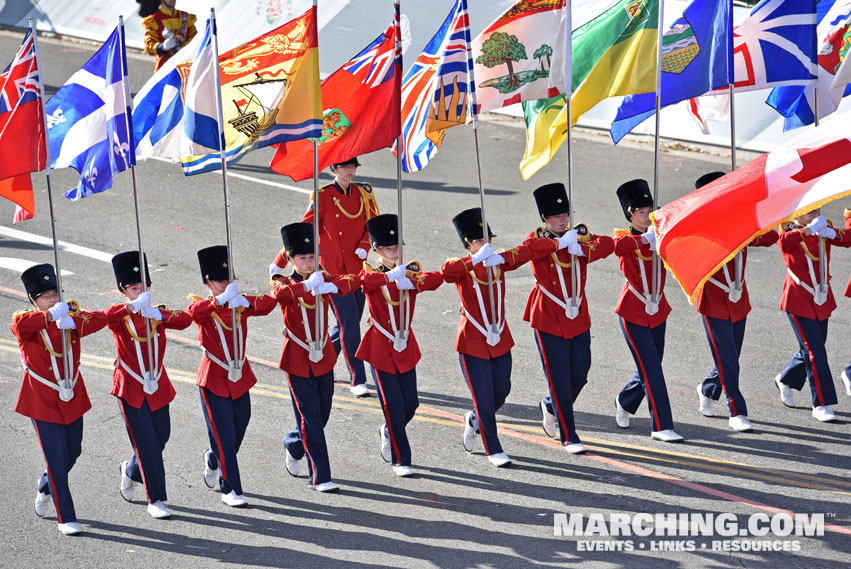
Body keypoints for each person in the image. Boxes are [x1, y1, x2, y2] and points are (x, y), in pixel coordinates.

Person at [270, 156, 379, 397]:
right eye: (345, 167)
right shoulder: (323, 196)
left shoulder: (364, 193)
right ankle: (357, 378)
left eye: (352, 167)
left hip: (357, 269)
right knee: (349, 324)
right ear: (334, 169)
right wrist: (280, 261)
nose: (349, 171)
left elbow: (370, 224)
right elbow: (304, 228)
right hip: (331, 272)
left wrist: (365, 244)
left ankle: (325, 362)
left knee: (346, 326)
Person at [13, 264, 107, 535]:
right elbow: (19, 326)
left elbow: (99, 320)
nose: (53, 300)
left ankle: (45, 486)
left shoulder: (68, 318)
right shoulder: (27, 320)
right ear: (34, 300)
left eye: (55, 294)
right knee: (55, 458)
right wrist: (50, 315)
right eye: (46, 296)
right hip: (41, 399)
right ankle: (66, 517)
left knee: (72, 452)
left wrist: (72, 321)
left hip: (71, 396)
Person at [272, 222, 362, 492]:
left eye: (312, 257)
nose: (309, 262)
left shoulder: (322, 278)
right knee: (311, 418)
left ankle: (293, 443)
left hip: (322, 356)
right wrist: (307, 287)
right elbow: (280, 295)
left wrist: (332, 286)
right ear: (290, 260)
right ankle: (320, 476)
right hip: (298, 358)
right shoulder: (285, 282)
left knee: (322, 415)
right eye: (303, 258)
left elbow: (352, 281)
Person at [524, 183, 614, 453]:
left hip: (577, 316)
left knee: (580, 373)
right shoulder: (539, 238)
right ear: (545, 219)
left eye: (565, 215)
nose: (563, 220)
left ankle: (551, 405)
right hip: (549, 316)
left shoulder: (578, 236)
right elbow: (530, 248)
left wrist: (583, 249)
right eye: (557, 217)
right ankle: (569, 434)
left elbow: (608, 244)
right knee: (559, 378)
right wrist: (559, 243)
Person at [186, 246, 277, 507]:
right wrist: (219, 300)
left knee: (241, 425)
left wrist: (244, 301)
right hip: (214, 376)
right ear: (208, 283)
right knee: (224, 435)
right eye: (219, 281)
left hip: (239, 375)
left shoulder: (238, 304)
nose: (225, 284)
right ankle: (231, 489)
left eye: (228, 279)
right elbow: (193, 314)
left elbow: (269, 304)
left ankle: (214, 460)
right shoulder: (204, 305)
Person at [441, 207, 531, 467]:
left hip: (499, 336)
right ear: (468, 244)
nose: (485, 244)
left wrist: (558, 241)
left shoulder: (496, 259)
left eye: (488, 239)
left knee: (501, 390)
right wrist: (476, 259)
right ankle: (494, 449)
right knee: (483, 397)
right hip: (473, 339)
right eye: (479, 240)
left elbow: (526, 252)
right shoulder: (462, 265)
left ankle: (474, 419)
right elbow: (447, 273)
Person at [355, 214, 443, 477]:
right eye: (389, 248)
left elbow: (436, 279)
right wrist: (389, 278)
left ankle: (387, 431)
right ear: (377, 251)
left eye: (397, 247)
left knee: (411, 404)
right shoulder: (371, 273)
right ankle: (400, 458)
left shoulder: (409, 270)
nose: (395, 252)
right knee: (393, 406)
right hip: (381, 346)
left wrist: (411, 281)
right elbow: (363, 283)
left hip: (405, 345)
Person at [106, 251, 192, 519]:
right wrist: (130, 308)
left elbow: (186, 320)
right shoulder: (121, 316)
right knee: (146, 445)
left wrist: (158, 314)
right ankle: (156, 499)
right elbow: (104, 318)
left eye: (143, 286)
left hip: (157, 385)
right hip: (130, 387)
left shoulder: (157, 314)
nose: (140, 292)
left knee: (161, 436)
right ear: (124, 290)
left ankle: (130, 470)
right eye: (134, 288)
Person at [692, 172, 778, 432]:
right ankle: (736, 411)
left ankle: (708, 388)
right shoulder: (700, 225)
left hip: (738, 299)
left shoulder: (737, 220)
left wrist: (750, 224)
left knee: (731, 357)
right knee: (729, 359)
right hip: (715, 300)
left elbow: (771, 237)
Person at [612, 180, 683, 442]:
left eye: (650, 210)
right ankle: (662, 425)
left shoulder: (660, 232)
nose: (647, 215)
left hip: (658, 309)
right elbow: (618, 247)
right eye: (642, 212)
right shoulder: (624, 238)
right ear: (630, 214)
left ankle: (625, 400)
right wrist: (645, 239)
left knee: (650, 365)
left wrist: (660, 234)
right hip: (633, 310)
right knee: (652, 369)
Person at [774, 209, 851, 422]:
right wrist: (809, 230)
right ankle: (821, 403)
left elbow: (848, 239)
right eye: (807, 211)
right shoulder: (788, 230)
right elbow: (782, 242)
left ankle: (786, 378)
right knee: (815, 352)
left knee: (813, 347)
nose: (813, 213)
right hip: (798, 298)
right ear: (794, 214)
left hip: (821, 297)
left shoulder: (821, 225)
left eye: (816, 209)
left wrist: (838, 228)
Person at [138, 0, 198, 71]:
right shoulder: (154, 19)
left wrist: (185, 47)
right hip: (164, 70)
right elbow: (149, 45)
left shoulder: (186, 17)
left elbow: (196, 39)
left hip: (185, 67)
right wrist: (163, 47)